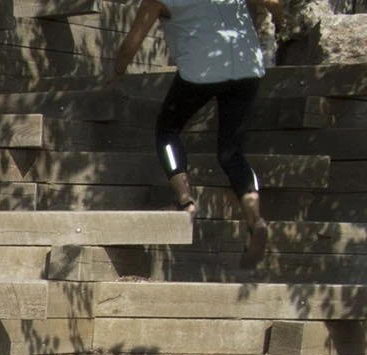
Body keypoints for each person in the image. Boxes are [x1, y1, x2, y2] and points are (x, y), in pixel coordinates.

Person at [111, 0, 282, 268]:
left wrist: (116, 74)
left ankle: (185, 201)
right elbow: (275, 4)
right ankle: (255, 220)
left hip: (202, 70)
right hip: (247, 68)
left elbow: (131, 43)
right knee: (231, 152)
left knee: (167, 128)